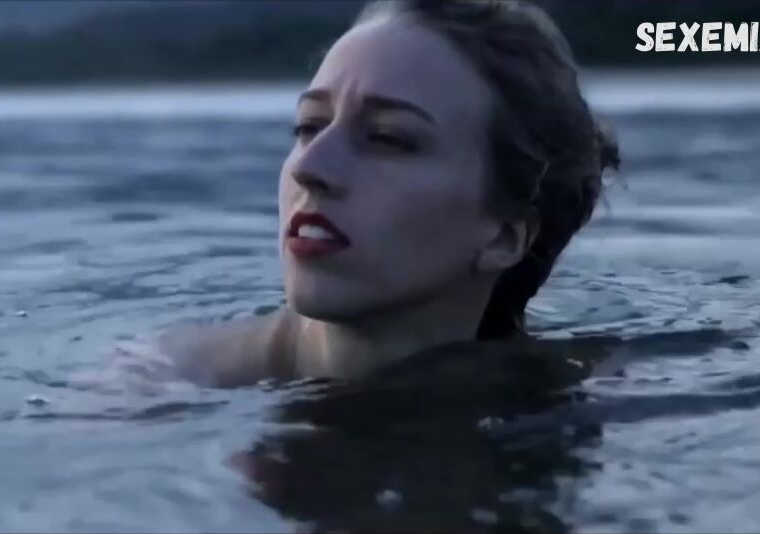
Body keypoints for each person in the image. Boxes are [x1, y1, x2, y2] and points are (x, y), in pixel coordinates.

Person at [161, 0, 621, 388]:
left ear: (504, 237)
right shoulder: (165, 386)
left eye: (388, 138)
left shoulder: (567, 395)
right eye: (309, 126)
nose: (308, 167)